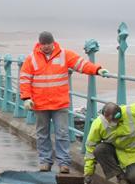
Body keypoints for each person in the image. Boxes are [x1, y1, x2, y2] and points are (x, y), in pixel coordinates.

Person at [20, 31, 107, 174]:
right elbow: (25, 79)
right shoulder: (31, 59)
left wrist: (97, 70)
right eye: (44, 44)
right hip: (40, 104)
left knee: (62, 133)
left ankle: (63, 163)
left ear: (53, 43)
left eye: (49, 44)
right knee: (42, 133)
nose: (46, 47)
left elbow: (81, 64)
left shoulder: (64, 54)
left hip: (59, 103)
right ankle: (45, 161)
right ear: (39, 44)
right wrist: (26, 98)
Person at [84, 101, 135, 184]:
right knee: (99, 150)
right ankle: (120, 177)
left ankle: (129, 175)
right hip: (116, 150)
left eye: (112, 120)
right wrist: (88, 171)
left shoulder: (134, 111)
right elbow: (90, 146)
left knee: (134, 177)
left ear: (118, 115)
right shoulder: (98, 124)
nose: (110, 124)